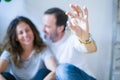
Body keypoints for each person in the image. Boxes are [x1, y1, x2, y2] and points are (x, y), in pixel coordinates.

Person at [42, 4, 97, 80]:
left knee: (62, 69)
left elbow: (92, 49)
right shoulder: (46, 45)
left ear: (60, 28)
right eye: (43, 25)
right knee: (43, 72)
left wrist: (85, 37)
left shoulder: (72, 39)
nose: (43, 30)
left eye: (47, 26)